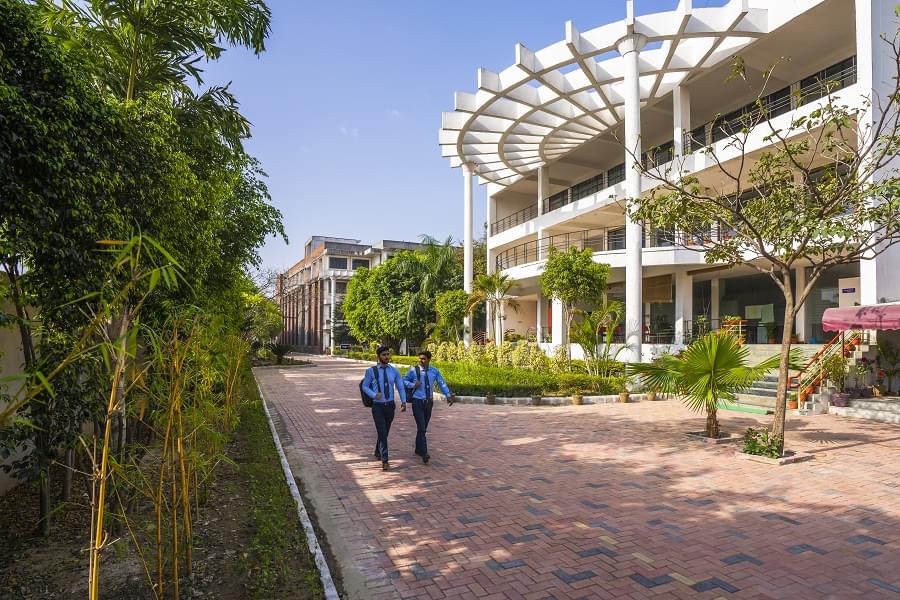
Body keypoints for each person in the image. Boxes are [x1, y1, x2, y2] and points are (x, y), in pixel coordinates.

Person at [402, 350, 454, 464]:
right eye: (419, 358)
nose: (421, 361)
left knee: (423, 428)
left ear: (429, 360)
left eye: (423, 359)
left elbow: (442, 383)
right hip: (417, 402)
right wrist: (412, 384)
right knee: (421, 427)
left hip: (429, 403)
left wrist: (448, 395)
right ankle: (424, 453)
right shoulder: (413, 370)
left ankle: (417, 448)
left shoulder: (434, 371)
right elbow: (403, 380)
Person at [361, 346, 407, 470]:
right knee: (382, 431)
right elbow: (365, 386)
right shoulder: (371, 371)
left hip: (390, 406)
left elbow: (400, 386)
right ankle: (385, 460)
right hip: (378, 406)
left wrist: (403, 401)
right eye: (384, 355)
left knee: (384, 432)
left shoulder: (394, 371)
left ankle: (377, 450)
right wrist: (373, 395)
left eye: (388, 354)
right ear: (379, 356)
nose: (386, 357)